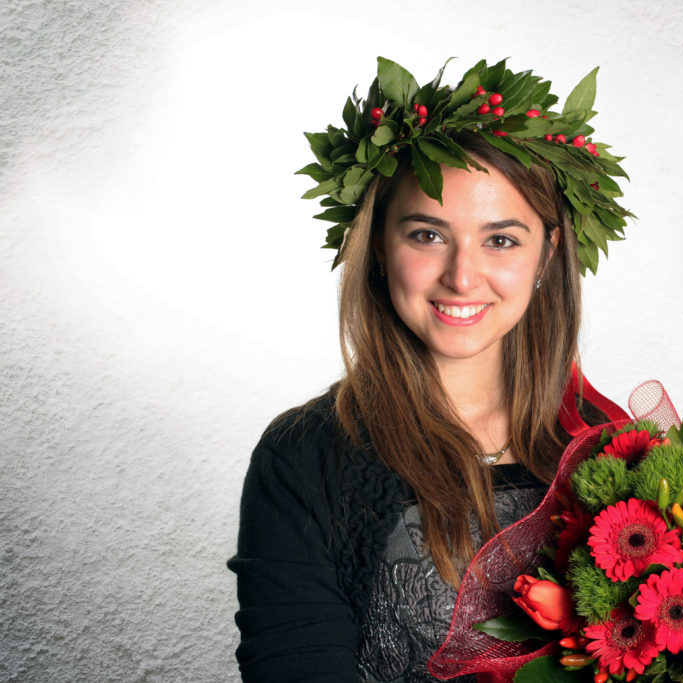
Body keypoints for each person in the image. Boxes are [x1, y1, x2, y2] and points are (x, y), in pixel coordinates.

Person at [228, 58, 631, 681]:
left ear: (547, 255)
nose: (462, 276)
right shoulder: (304, 458)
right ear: (379, 248)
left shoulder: (611, 446)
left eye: (501, 240)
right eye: (427, 235)